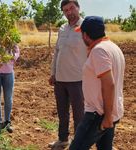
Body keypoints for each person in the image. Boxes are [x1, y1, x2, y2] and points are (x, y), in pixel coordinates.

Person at [69, 16, 125, 150]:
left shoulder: (99, 51)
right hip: (110, 111)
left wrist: (107, 118)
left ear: (86, 35)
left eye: (82, 34)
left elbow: (109, 84)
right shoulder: (113, 47)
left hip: (98, 114)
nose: (82, 38)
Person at [48, 0, 87, 149]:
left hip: (78, 80)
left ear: (78, 8)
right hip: (60, 80)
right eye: (65, 10)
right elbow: (57, 52)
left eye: (71, 8)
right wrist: (53, 73)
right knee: (62, 113)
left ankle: (78, 143)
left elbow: (92, 52)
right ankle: (63, 139)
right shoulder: (62, 28)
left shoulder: (86, 27)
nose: (69, 12)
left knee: (79, 114)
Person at [0, 45, 20, 133]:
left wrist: (12, 58)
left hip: (8, 72)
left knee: (8, 97)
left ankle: (7, 121)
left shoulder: (9, 38)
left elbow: (16, 51)